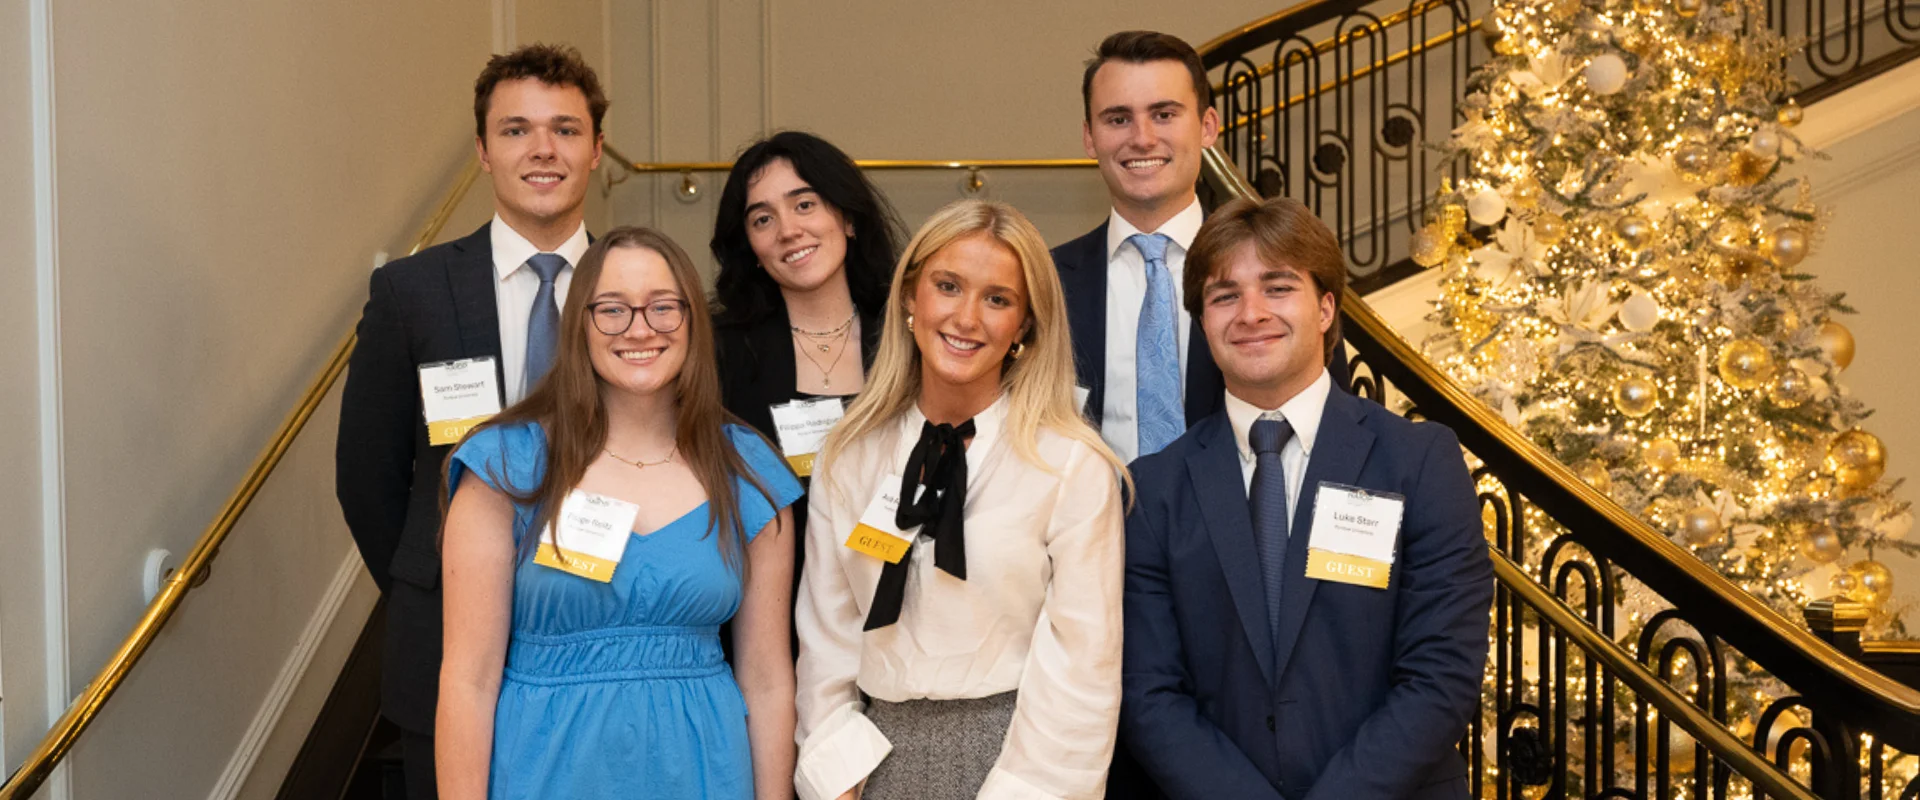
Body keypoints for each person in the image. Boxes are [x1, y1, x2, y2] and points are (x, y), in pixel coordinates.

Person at [1117, 197, 1492, 799]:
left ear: (1325, 308)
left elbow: (1440, 675)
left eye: (1277, 287)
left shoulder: (1419, 462)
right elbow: (1149, 693)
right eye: (1225, 295)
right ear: (1203, 321)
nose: (1251, 313)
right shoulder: (1154, 489)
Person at [435, 226, 803, 799]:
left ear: (693, 321)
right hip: (546, 769)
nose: (639, 329)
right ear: (579, 323)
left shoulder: (746, 470)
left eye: (663, 307)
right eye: (612, 309)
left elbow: (768, 680)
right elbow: (468, 680)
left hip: (706, 770)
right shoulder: (507, 466)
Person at [335, 43, 607, 798]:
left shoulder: (644, 284)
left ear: (596, 151)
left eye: (566, 129)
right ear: (483, 151)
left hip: (607, 635)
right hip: (445, 643)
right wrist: (443, 580)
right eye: (516, 129)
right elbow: (367, 476)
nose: (543, 149)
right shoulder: (410, 292)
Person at [794, 200, 1128, 800]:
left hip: (1019, 759)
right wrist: (838, 779)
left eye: (998, 299)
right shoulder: (850, 456)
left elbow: (1083, 667)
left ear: (1025, 326)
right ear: (909, 298)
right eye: (948, 286)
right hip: (874, 758)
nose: (967, 317)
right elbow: (826, 638)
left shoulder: (1070, 464)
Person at [1054, 31, 1349, 464]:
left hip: (1250, 524)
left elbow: (1335, 426)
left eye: (1164, 115)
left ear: (1208, 126)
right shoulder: (1046, 281)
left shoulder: (1285, 273)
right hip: (1088, 527)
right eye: (1118, 119)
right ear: (1089, 137)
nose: (1142, 138)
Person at [709, 131, 904, 641]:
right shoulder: (716, 353)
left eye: (805, 204)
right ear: (749, 246)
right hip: (763, 620)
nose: (788, 230)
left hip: (898, 611)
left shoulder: (912, 336)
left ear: (848, 216)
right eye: (763, 219)